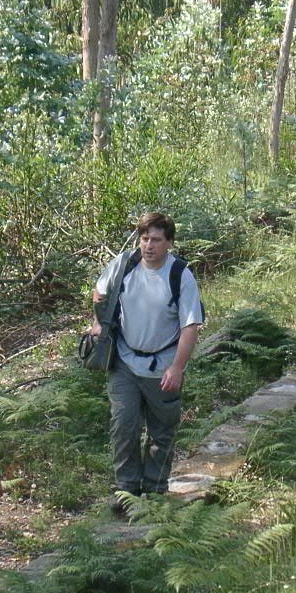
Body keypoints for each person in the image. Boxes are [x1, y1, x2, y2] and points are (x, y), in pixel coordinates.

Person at [91, 212, 203, 510]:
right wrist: (98, 323)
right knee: (123, 425)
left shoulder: (180, 275)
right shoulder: (124, 264)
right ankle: (126, 491)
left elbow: (190, 326)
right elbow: (99, 292)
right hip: (124, 360)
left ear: (169, 242)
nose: (149, 246)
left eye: (156, 240)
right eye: (144, 239)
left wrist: (177, 367)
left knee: (161, 431)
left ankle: (154, 491)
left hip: (163, 364)